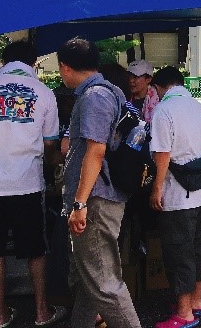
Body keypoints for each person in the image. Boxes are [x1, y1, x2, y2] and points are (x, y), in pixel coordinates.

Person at [0, 40, 65, 328]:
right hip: (27, 184)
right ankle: (42, 312)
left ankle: (0, 315)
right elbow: (50, 144)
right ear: (32, 63)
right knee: (35, 249)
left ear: (5, 61)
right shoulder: (44, 93)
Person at [58, 38, 141, 328]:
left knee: (105, 284)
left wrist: (79, 203)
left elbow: (96, 150)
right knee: (88, 280)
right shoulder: (111, 91)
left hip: (95, 200)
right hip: (103, 196)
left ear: (65, 67)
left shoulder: (94, 96)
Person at [149, 66, 201, 328]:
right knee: (199, 247)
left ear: (161, 87)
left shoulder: (164, 110)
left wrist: (156, 187)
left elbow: (162, 153)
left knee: (179, 251)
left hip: (178, 193)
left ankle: (184, 313)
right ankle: (196, 302)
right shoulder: (196, 106)